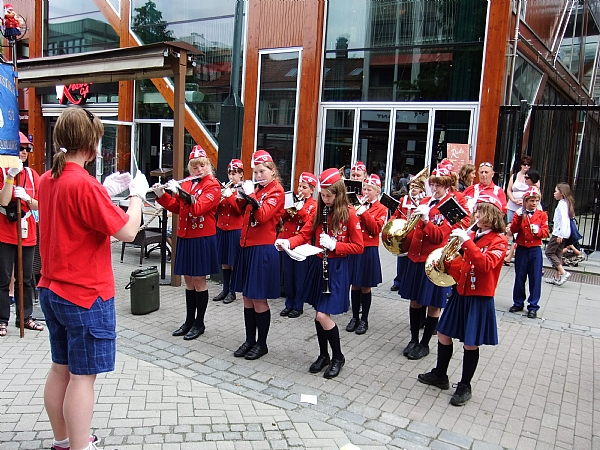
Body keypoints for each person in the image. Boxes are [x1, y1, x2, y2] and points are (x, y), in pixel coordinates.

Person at [37, 107, 148, 450]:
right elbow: (129, 231)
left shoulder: (46, 179)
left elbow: (77, 217)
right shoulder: (84, 185)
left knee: (61, 369)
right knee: (83, 377)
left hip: (51, 288)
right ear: (91, 143)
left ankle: (65, 441)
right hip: (85, 295)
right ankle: (81, 447)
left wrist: (103, 190)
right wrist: (136, 197)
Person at [417, 193, 508, 407]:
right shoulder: (473, 235)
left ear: (492, 215)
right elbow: (463, 265)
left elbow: (484, 264)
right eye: (476, 209)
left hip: (479, 297)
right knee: (443, 332)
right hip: (461, 291)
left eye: (481, 210)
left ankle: (465, 385)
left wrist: (466, 242)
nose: (476, 214)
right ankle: (440, 374)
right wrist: (447, 262)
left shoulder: (499, 241)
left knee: (470, 342)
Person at [275, 168, 363, 378]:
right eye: (322, 195)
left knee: (323, 314)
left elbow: (358, 247)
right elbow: (305, 234)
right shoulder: (319, 211)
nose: (325, 199)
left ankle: (338, 357)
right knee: (318, 314)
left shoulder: (349, 214)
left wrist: (335, 246)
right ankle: (324, 354)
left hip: (336, 269)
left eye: (328, 196)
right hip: (318, 265)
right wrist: (288, 242)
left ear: (338, 194)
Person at [399, 164, 467, 361]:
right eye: (433, 184)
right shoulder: (426, 201)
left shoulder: (450, 206)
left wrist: (427, 221)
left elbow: (439, 237)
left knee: (432, 304)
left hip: (434, 261)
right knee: (414, 300)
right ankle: (413, 338)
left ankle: (425, 342)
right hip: (416, 257)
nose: (434, 188)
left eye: (439, 185)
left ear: (447, 186)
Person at [153, 145, 221, 340]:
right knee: (188, 281)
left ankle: (199, 323)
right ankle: (189, 320)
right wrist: (162, 195)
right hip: (185, 236)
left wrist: (180, 193)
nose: (198, 170)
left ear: (207, 166)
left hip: (201, 238)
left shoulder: (213, 185)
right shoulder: (189, 183)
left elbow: (198, 208)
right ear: (189, 168)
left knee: (199, 281)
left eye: (202, 166)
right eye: (194, 167)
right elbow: (178, 207)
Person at [232, 150, 285, 361]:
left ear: (272, 171)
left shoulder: (277, 191)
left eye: (262, 171)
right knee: (246, 297)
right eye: (255, 172)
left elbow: (262, 216)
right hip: (247, 246)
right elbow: (239, 209)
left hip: (262, 248)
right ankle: (249, 340)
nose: (258, 176)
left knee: (258, 299)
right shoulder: (257, 189)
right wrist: (241, 194)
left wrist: (251, 195)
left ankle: (261, 344)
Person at [0, 132, 41, 336]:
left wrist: (26, 197)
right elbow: (4, 201)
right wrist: (9, 178)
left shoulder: (33, 175)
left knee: (25, 278)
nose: (24, 152)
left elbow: (41, 203)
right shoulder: (2, 171)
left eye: (27, 149)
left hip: (27, 231)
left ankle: (25, 318)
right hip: (5, 232)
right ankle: (1, 319)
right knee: (3, 277)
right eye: (21, 148)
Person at [346, 174, 387, 335]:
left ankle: (365, 319)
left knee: (365, 287)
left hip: (368, 249)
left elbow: (376, 229)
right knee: (354, 284)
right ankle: (355, 317)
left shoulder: (381, 208)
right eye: (364, 188)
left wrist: (364, 212)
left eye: (369, 189)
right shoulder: (356, 204)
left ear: (377, 191)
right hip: (355, 247)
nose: (365, 191)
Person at [279, 172, 318, 318]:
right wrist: (288, 207)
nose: (300, 190)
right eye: (300, 186)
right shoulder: (294, 199)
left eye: (305, 187)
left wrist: (300, 210)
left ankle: (298, 305)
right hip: (288, 241)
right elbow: (282, 216)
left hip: (302, 245)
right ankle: (289, 303)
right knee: (288, 275)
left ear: (312, 189)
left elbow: (310, 223)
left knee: (299, 277)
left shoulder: (313, 205)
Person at [508, 187, 549, 318]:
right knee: (519, 276)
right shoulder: (519, 214)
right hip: (522, 248)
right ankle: (518, 302)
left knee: (535, 278)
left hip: (535, 250)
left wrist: (538, 231)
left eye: (536, 200)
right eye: (531, 200)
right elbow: (513, 229)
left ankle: (533, 306)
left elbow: (546, 232)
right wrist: (518, 217)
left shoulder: (542, 215)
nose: (534, 203)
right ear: (525, 201)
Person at [213, 159, 245, 304]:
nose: (231, 176)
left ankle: (232, 291)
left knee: (232, 262)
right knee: (224, 262)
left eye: (234, 173)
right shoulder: (226, 187)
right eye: (230, 173)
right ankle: (225, 288)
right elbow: (216, 208)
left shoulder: (243, 189)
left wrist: (230, 196)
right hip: (222, 228)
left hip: (234, 229)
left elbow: (240, 211)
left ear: (241, 174)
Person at [389, 173, 426, 292]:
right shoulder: (403, 199)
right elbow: (396, 214)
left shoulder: (425, 201)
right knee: (401, 260)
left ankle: (408, 282)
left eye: (416, 186)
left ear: (422, 188)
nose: (413, 189)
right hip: (403, 233)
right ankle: (398, 281)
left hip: (416, 235)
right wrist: (391, 224)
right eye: (411, 186)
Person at [504, 156, 534, 265]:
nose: (526, 167)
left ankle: (511, 254)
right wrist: (513, 199)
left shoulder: (531, 177)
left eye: (528, 165)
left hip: (524, 207)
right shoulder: (515, 176)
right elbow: (509, 189)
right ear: (521, 165)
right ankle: (504, 251)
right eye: (524, 164)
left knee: (520, 231)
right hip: (513, 205)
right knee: (510, 230)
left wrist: (524, 202)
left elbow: (535, 191)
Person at [544, 183, 574, 286]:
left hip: (559, 233)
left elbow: (564, 220)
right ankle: (556, 277)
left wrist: (560, 235)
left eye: (556, 191)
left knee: (549, 252)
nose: (554, 193)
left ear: (561, 193)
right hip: (563, 233)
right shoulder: (565, 203)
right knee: (558, 254)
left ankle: (564, 273)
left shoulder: (562, 204)